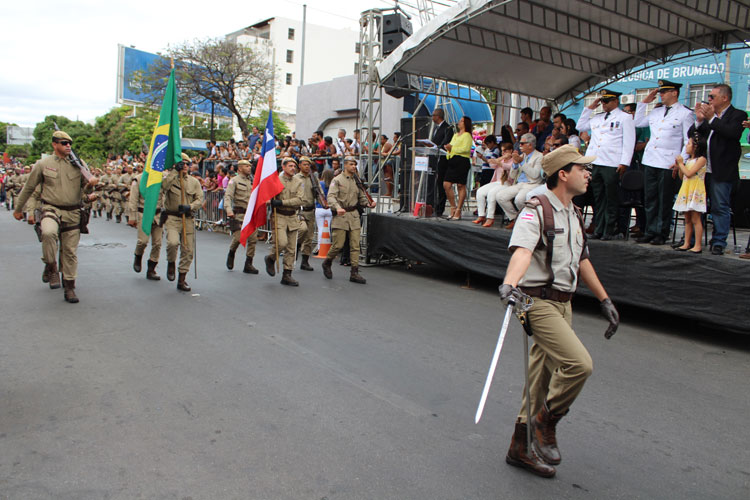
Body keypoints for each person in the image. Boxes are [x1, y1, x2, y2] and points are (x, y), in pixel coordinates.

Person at [500, 144, 619, 477]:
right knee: (579, 364)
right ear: (563, 174)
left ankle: (519, 447)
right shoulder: (536, 209)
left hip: (565, 304)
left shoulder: (574, 212)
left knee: (539, 378)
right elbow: (522, 252)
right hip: (537, 303)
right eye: (582, 168)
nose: (589, 173)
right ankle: (545, 422)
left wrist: (604, 300)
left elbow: (582, 261)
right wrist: (509, 283)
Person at [13, 130, 99, 303]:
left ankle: (69, 287)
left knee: (70, 252)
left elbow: (86, 191)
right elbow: (29, 187)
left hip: (73, 211)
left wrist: (91, 185)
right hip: (51, 208)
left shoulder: (78, 164)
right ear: (54, 144)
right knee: (48, 233)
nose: (68, 146)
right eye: (63, 143)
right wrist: (19, 209)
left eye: (70, 143)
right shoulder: (43, 164)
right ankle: (51, 266)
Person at [631, 80, 694, 246]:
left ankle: (661, 232)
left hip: (668, 161)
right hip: (651, 159)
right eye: (661, 92)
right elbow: (637, 122)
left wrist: (681, 162)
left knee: (664, 199)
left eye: (665, 91)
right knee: (650, 198)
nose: (661, 94)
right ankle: (650, 231)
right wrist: (644, 103)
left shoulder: (685, 113)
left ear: (674, 92)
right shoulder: (656, 111)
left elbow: (688, 140)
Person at [689, 83, 747, 255]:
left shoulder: (738, 114)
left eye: (712, 97)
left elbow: (732, 133)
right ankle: (693, 240)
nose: (709, 100)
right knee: (697, 204)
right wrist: (699, 120)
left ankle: (719, 241)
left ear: (725, 97)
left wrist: (712, 119)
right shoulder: (708, 117)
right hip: (702, 169)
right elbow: (692, 135)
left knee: (719, 206)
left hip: (722, 170)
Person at [576, 89, 635, 240]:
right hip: (596, 161)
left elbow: (629, 141)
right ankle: (599, 227)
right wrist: (589, 108)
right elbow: (580, 126)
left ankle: (609, 228)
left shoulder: (624, 117)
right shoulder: (597, 117)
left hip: (612, 162)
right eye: (602, 101)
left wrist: (624, 162)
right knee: (598, 197)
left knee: (611, 197)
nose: (604, 104)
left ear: (616, 101)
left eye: (607, 101)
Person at [321, 156, 376, 284]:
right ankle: (327, 262)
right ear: (345, 165)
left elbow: (361, 197)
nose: (354, 166)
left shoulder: (356, 181)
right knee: (338, 245)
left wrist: (368, 204)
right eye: (351, 164)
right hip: (341, 216)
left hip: (354, 216)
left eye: (355, 164)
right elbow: (331, 197)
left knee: (355, 245)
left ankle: (354, 272)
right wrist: (338, 208)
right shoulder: (337, 180)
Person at [161, 153, 204, 292]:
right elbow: (163, 187)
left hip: (187, 218)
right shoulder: (170, 178)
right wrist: (174, 171)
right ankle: (171, 263)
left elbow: (199, 198)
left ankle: (182, 278)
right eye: (182, 163)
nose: (185, 166)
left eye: (187, 163)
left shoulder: (194, 182)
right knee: (173, 243)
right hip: (172, 217)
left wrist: (190, 207)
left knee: (188, 250)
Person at [265, 157, 304, 286]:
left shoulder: (298, 182)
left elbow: (299, 200)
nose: (293, 168)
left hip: (292, 216)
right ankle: (271, 257)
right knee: (281, 242)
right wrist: (271, 201)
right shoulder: (275, 180)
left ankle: (287, 274)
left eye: (294, 166)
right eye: (290, 166)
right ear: (284, 167)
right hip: (279, 216)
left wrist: (281, 202)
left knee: (291, 248)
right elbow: (266, 197)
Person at [495, 133, 544, 230]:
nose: (519, 145)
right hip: (519, 184)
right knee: (500, 196)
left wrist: (522, 162)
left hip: (532, 184)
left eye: (522, 143)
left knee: (519, 199)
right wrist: (515, 165)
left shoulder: (539, 156)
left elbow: (535, 175)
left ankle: (526, 220)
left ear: (530, 145)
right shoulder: (521, 156)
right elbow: (513, 175)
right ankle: (515, 218)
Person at [672, 134, 707, 253]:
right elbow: (683, 176)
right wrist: (679, 166)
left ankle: (697, 245)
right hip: (686, 189)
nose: (686, 146)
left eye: (689, 144)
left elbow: (690, 173)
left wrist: (681, 164)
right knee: (687, 218)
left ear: (696, 146)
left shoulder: (701, 159)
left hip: (695, 189)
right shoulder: (688, 160)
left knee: (696, 218)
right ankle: (686, 243)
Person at [128, 168, 163, 280]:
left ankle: (152, 268)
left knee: (157, 243)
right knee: (142, 241)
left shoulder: (161, 178)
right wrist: (132, 216)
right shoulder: (139, 179)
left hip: (158, 214)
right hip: (143, 213)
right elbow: (133, 199)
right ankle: (138, 256)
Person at [224, 159, 258, 274]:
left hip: (251, 214)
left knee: (253, 239)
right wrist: (228, 210)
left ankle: (249, 263)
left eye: (249, 166)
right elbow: (228, 196)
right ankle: (232, 252)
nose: (249, 168)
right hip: (239, 214)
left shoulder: (253, 181)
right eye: (246, 166)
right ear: (239, 168)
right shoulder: (234, 181)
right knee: (238, 237)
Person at [473, 141, 513, 226]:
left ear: (511, 151)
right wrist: (500, 159)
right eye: (502, 151)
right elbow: (491, 164)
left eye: (505, 151)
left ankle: (490, 217)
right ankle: (481, 215)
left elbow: (509, 168)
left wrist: (499, 161)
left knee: (492, 193)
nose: (503, 153)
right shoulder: (501, 159)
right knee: (480, 191)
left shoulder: (513, 160)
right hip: (497, 182)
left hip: (506, 183)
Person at [443, 116, 473, 220]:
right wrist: (448, 148)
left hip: (462, 161)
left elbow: (465, 149)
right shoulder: (455, 135)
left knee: (461, 185)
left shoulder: (467, 135)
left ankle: (459, 209)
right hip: (453, 160)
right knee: (446, 184)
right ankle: (453, 206)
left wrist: (453, 148)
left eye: (461, 121)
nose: (459, 122)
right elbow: (451, 145)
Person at [294, 156, 319, 271]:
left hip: (310, 210)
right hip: (299, 210)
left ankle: (305, 261)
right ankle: (295, 247)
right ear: (299, 166)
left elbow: (319, 193)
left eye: (308, 165)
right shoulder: (295, 178)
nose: (307, 166)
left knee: (309, 238)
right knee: (302, 230)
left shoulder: (313, 178)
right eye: (304, 164)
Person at [431, 108, 455, 216]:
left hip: (443, 160)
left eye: (433, 115)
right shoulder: (436, 128)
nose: (432, 118)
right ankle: (433, 205)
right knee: (436, 184)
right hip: (435, 159)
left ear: (438, 116)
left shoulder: (447, 128)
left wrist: (437, 147)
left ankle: (440, 208)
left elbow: (446, 143)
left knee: (441, 184)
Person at [315, 169, 335, 253]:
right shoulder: (333, 184)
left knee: (320, 228)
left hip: (320, 208)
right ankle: (327, 247)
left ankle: (320, 247)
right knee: (328, 229)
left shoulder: (320, 183)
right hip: (329, 208)